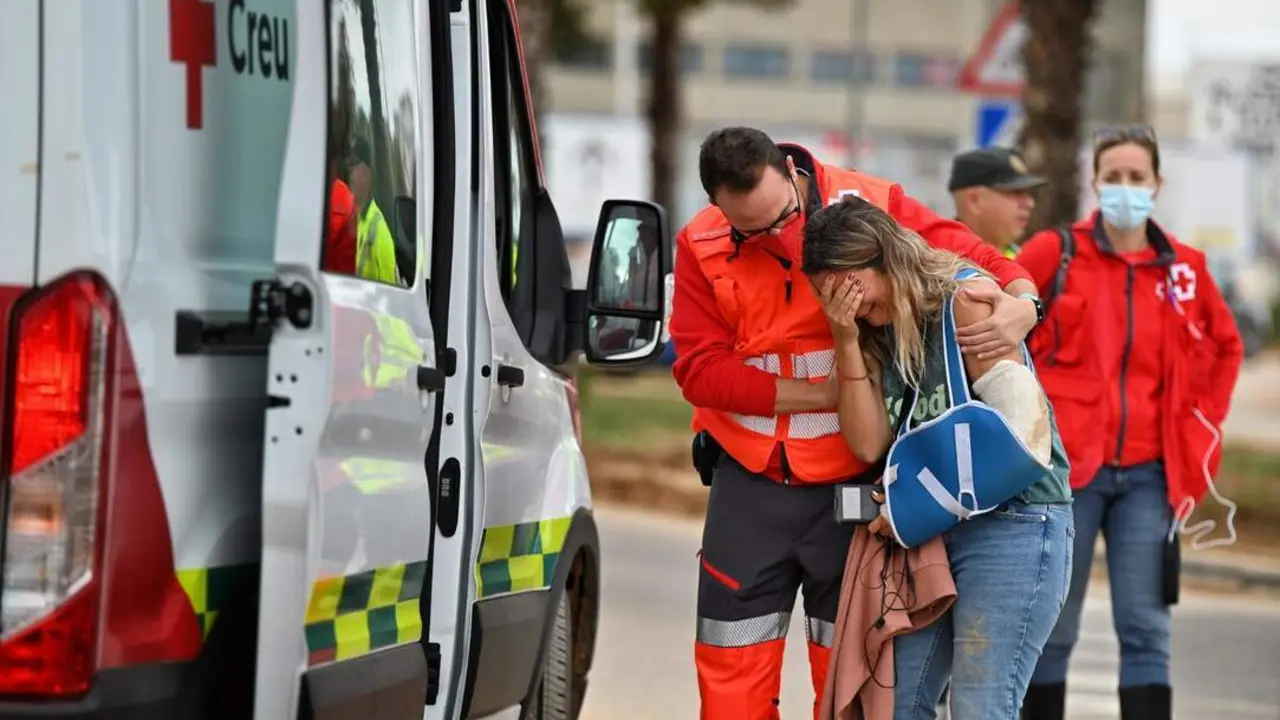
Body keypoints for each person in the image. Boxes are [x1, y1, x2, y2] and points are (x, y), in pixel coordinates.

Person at [670, 126, 1048, 719]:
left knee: (851, 679)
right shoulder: (699, 242)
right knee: (730, 673)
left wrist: (1024, 301)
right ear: (720, 208)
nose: (780, 239)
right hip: (748, 481)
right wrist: (827, 391)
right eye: (754, 230)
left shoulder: (865, 203)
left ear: (793, 176)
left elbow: (961, 251)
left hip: (850, 486)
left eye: (783, 217)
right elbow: (699, 371)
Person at [802, 196, 1073, 720]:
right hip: (935, 536)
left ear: (884, 257)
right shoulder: (875, 330)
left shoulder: (966, 302)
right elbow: (868, 445)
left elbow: (1025, 440)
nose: (847, 307)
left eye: (849, 290)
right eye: (828, 299)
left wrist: (916, 502)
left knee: (981, 706)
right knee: (898, 703)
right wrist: (846, 338)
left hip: (1016, 523)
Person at [1017, 124, 1245, 720]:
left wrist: (1203, 420)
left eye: (1136, 178)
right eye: (1112, 177)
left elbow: (1226, 347)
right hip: (1063, 475)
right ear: (1095, 182)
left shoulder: (1185, 271)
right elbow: (1000, 326)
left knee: (1146, 631)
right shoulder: (1054, 253)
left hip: (1150, 476)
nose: (1124, 188)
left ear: (1157, 184)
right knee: (1052, 629)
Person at [948, 147, 1045, 258]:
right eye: (1015, 192)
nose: (1030, 203)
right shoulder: (936, 261)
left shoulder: (1023, 260)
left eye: (1028, 193)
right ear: (973, 200)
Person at [347, 136, 403, 286]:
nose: (349, 170)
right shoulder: (351, 221)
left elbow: (389, 299)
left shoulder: (380, 233)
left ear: (367, 173)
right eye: (348, 165)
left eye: (354, 163)